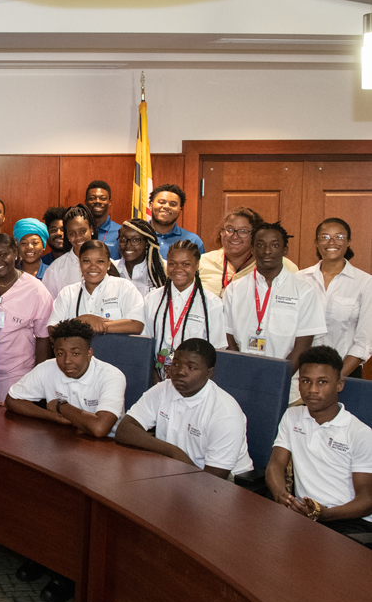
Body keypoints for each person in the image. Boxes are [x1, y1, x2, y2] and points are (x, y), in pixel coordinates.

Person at [5, 318, 126, 602]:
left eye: (74, 353)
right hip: (65, 447)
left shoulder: (111, 375)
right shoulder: (48, 369)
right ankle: (44, 557)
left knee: (78, 511)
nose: (66, 360)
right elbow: (13, 400)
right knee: (42, 496)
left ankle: (69, 573)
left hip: (105, 456)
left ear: (89, 353)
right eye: (60, 353)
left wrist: (60, 405)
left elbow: (99, 428)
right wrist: (54, 418)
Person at [265, 345, 372, 540]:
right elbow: (275, 465)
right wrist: (282, 496)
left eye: (322, 382)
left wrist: (327, 514)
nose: (312, 389)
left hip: (349, 523)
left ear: (339, 385)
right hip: (304, 516)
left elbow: (367, 500)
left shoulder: (360, 433)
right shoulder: (292, 416)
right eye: (306, 381)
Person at [116, 338, 252, 480]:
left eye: (191, 367)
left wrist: (177, 459)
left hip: (228, 485)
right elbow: (125, 430)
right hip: (176, 471)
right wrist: (174, 452)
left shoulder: (225, 412)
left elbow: (213, 481)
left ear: (209, 373)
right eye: (175, 364)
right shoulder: (163, 389)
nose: (180, 372)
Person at [224, 222, 325, 366]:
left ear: (285, 250)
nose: (267, 251)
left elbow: (303, 347)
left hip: (287, 380)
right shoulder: (234, 289)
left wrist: (278, 379)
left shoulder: (304, 291)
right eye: (260, 245)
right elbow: (229, 338)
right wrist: (242, 372)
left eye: (275, 245)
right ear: (252, 249)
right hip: (243, 374)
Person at [0, 233, 53, 399]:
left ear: (16, 254)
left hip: (16, 374)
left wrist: (38, 378)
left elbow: (43, 337)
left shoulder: (36, 289)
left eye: (3, 254)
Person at [299, 217, 372, 378]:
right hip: (302, 374)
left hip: (346, 374)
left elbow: (364, 342)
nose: (331, 242)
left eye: (339, 237)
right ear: (316, 243)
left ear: (348, 242)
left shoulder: (365, 283)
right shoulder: (299, 279)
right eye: (324, 237)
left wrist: (335, 378)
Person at [143, 239, 226, 379]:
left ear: (197, 266)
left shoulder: (211, 304)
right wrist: (153, 377)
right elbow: (145, 346)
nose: (178, 269)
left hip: (195, 382)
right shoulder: (151, 299)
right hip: (158, 378)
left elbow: (216, 351)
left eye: (186, 264)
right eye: (172, 264)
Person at [49, 240, 145, 335]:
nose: (93, 267)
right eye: (87, 261)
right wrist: (81, 321)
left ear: (108, 264)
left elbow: (137, 325)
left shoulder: (124, 287)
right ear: (80, 263)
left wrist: (98, 325)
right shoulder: (68, 293)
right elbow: (52, 329)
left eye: (100, 261)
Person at [199, 206, 297, 298]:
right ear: (221, 233)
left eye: (243, 231)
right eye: (229, 229)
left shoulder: (282, 265)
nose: (234, 236)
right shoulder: (201, 262)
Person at [41, 204, 94, 299]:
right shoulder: (55, 269)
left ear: (91, 229)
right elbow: (48, 307)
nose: (78, 237)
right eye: (72, 233)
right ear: (67, 237)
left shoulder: (107, 263)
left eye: (82, 231)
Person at [114, 218, 167, 298]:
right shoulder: (111, 269)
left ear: (146, 243)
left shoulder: (163, 269)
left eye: (135, 240)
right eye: (123, 239)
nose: (128, 245)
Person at [148, 184, 203, 258]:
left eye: (173, 204)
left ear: (180, 210)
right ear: (151, 206)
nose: (166, 206)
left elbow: (200, 269)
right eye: (161, 202)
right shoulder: (137, 236)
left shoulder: (193, 241)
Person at [85, 180, 120, 258]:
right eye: (92, 198)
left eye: (103, 199)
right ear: (86, 202)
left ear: (109, 202)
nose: (97, 201)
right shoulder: (81, 232)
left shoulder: (120, 232)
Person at [40, 206, 70, 270]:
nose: (58, 233)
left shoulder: (79, 262)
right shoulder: (41, 263)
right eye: (53, 230)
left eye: (63, 230)